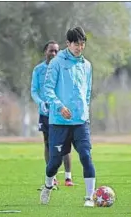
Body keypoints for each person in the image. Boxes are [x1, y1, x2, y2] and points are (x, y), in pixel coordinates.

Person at [40, 27, 96, 207]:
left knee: (86, 156)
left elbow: (87, 92)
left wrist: (86, 114)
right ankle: (48, 185)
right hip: (59, 122)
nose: (80, 48)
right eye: (76, 44)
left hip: (81, 121)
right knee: (54, 162)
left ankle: (89, 198)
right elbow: (47, 90)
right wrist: (59, 106)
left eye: (82, 44)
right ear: (68, 44)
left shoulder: (87, 65)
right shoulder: (56, 63)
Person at [31, 40, 74, 189]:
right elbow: (34, 90)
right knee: (48, 143)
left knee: (65, 144)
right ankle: (52, 176)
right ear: (45, 52)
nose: (54, 53)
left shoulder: (63, 68)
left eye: (56, 51)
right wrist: (40, 102)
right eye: (51, 50)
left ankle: (68, 176)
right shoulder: (38, 70)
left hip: (60, 112)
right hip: (45, 112)